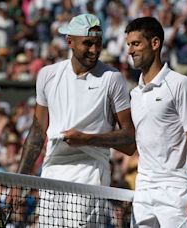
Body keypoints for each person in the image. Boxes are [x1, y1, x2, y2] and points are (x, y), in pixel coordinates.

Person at [16, 13, 136, 226]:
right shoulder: (47, 75)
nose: (94, 50)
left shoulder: (112, 78)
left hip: (90, 170)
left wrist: (86, 139)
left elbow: (129, 140)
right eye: (88, 43)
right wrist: (19, 183)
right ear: (69, 42)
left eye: (98, 44)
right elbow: (36, 132)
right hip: (52, 169)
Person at [125, 17, 187, 227]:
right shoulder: (134, 94)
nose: (130, 51)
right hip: (143, 190)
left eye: (136, 44)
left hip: (175, 190)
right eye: (129, 45)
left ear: (155, 44)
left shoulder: (179, 83)